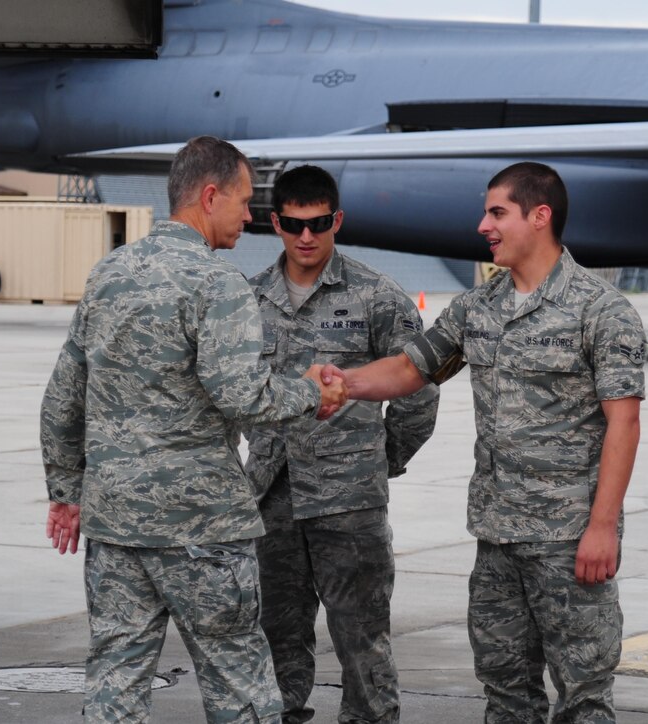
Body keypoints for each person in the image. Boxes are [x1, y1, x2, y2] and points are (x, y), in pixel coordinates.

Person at [40, 136, 347, 724]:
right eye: (241, 200)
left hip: (117, 521)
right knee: (238, 681)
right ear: (209, 197)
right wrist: (314, 390)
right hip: (200, 526)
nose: (249, 215)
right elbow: (242, 393)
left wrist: (65, 492)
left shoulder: (109, 273)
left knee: (116, 676)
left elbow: (62, 398)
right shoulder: (216, 282)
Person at [329, 162, 646, 723]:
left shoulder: (601, 310)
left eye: (497, 212)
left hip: (568, 541)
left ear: (539, 216)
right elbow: (411, 370)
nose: (483, 225)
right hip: (497, 538)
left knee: (584, 698)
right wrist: (341, 383)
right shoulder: (479, 308)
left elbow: (623, 423)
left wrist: (602, 527)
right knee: (504, 691)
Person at [245, 165, 439, 723]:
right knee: (274, 633)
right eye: (294, 224)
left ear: (338, 220)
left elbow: (418, 389)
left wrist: (380, 460)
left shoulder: (378, 296)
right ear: (275, 223)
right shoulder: (247, 300)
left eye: (320, 223)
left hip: (349, 505)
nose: (307, 237)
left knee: (362, 640)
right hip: (272, 499)